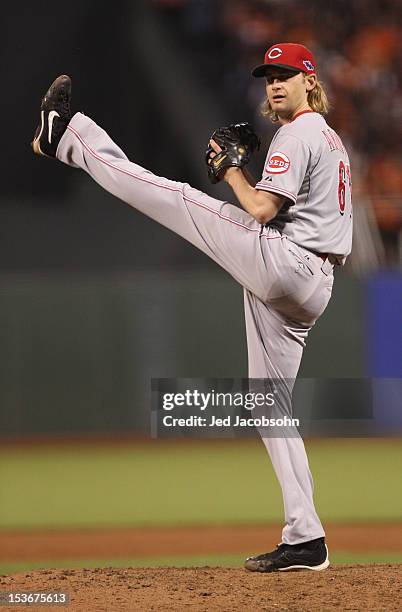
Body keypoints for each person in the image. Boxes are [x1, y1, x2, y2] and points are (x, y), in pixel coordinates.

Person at [32, 42, 352, 573]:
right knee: (269, 405)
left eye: (287, 75)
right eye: (269, 76)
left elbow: (258, 206)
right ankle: (307, 536)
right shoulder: (330, 139)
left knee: (177, 197)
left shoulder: (297, 133)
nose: (275, 83)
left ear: (310, 83)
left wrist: (230, 169)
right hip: (315, 282)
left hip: (286, 262)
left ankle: (66, 136)